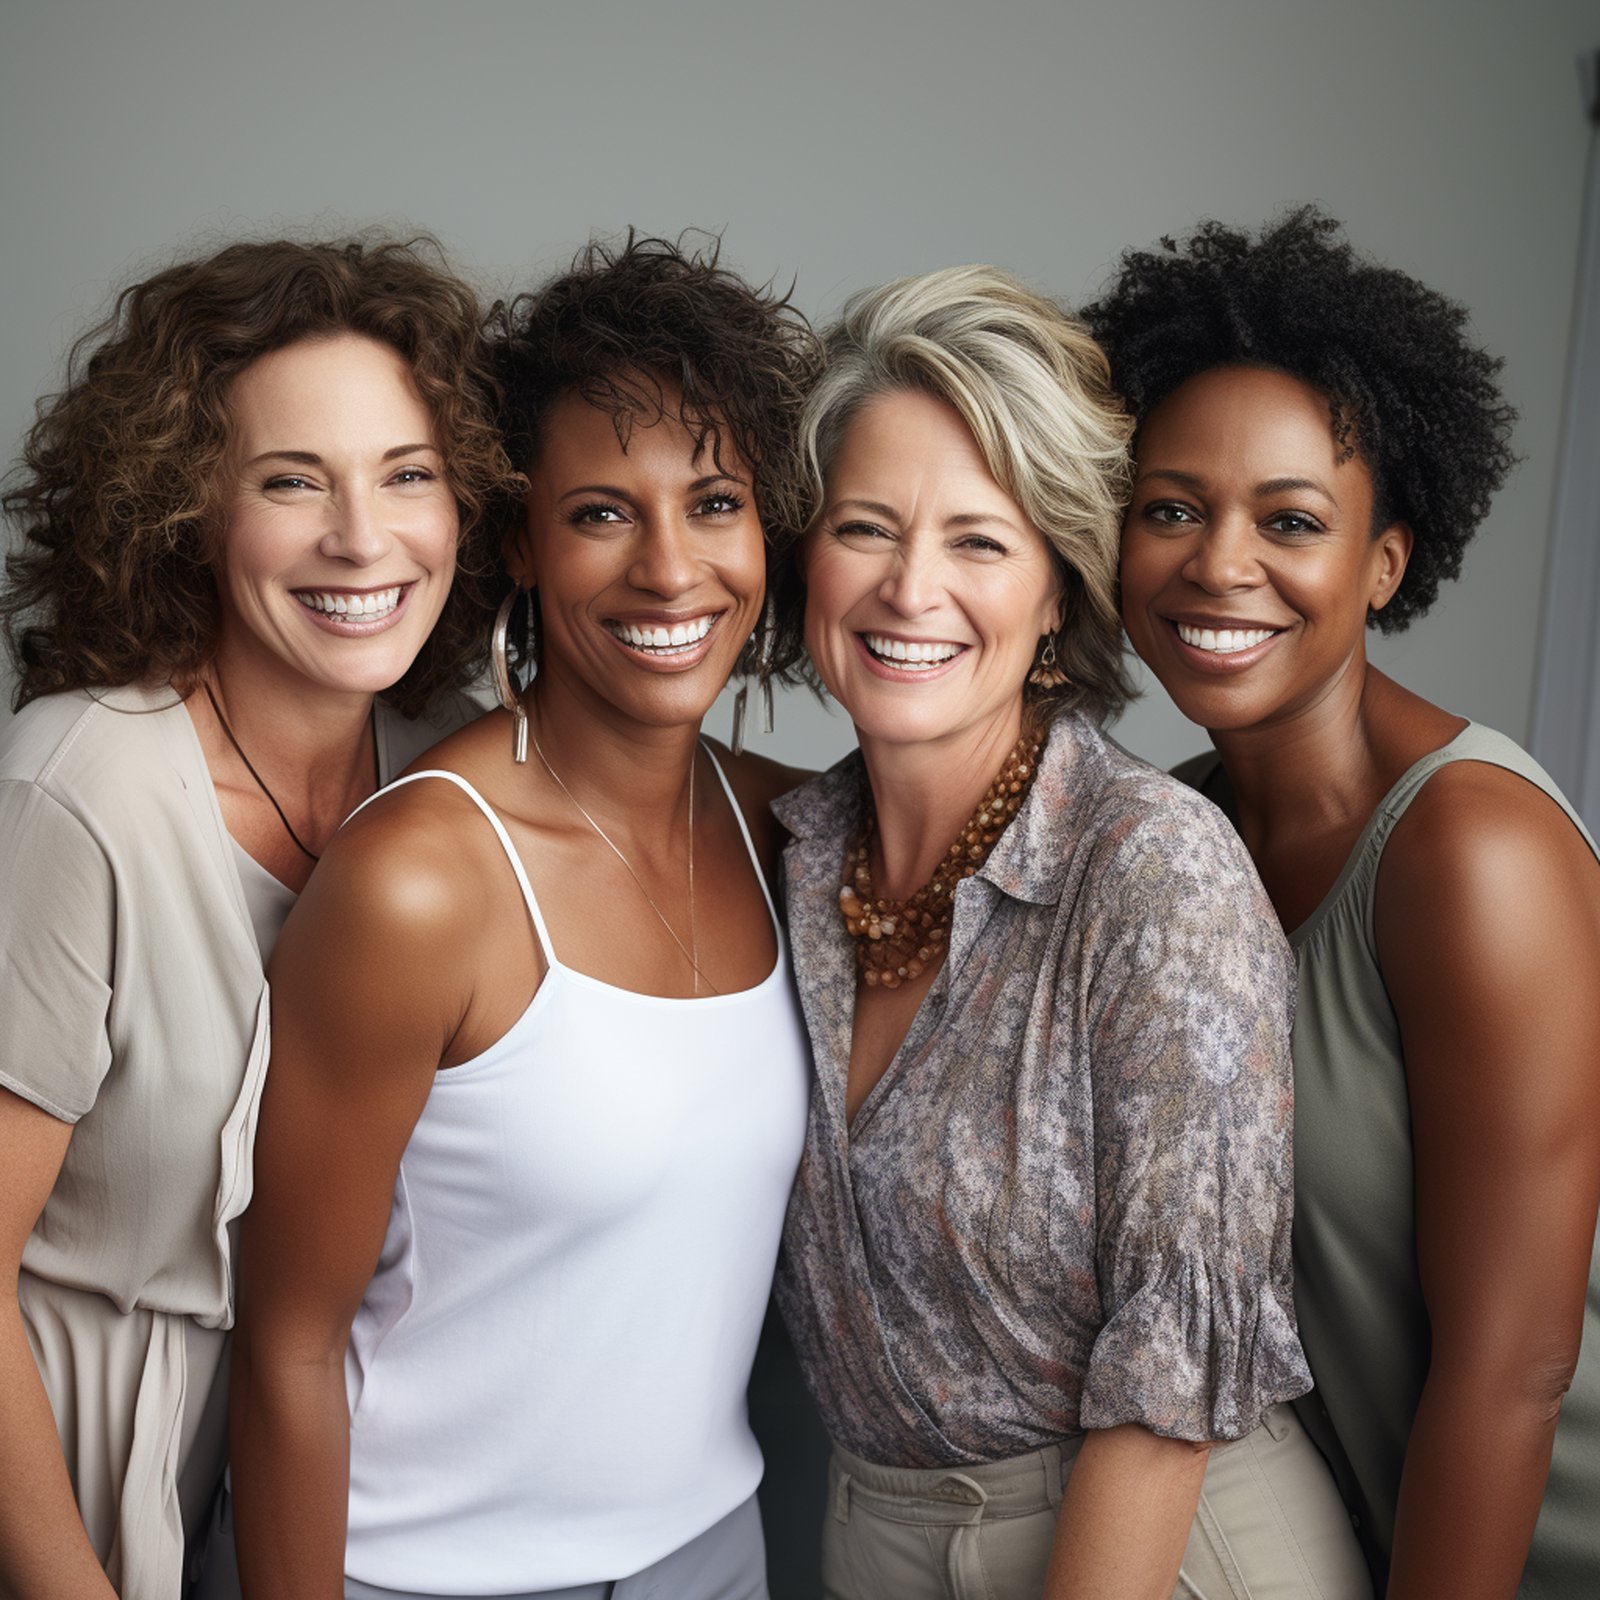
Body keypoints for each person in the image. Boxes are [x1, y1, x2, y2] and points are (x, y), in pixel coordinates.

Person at [229, 235, 821, 1600]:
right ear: (522, 543)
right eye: (605, 512)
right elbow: (285, 1350)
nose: (673, 570)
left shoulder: (787, 827)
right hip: (419, 1577)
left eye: (716, 502)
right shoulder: (422, 881)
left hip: (713, 1559)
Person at [769, 265, 1372, 1599]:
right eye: (866, 528)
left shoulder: (1150, 871)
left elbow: (1172, 1378)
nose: (909, 588)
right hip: (875, 1537)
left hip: (1158, 1545)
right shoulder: (790, 862)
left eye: (980, 541)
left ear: (1057, 593)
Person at [1086, 208, 1600, 1598]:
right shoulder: (1171, 837)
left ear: (1384, 562)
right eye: (1172, 508)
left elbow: (1515, 1368)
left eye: (1292, 521)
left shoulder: (1471, 849)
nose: (1219, 563)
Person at [0, 235, 515, 1599]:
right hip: (45, 1479)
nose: (363, 538)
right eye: (293, 482)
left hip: (269, 1496)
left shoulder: (447, 771)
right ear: (184, 508)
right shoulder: (81, 785)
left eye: (407, 476)